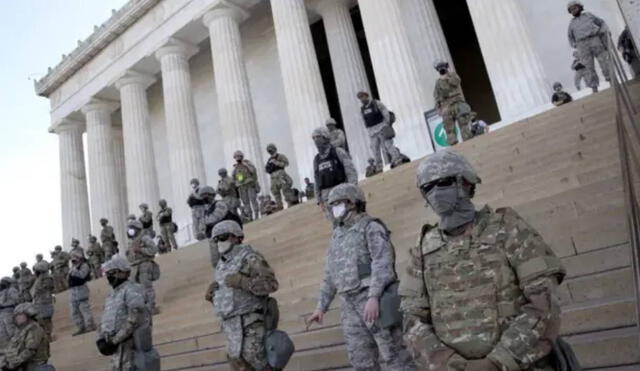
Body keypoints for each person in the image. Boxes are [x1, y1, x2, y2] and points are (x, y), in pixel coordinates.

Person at [399, 151, 566, 370]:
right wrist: (451, 365)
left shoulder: (509, 229)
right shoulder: (422, 250)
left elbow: (544, 303)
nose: (435, 193)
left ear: (466, 183)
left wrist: (498, 362)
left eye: (443, 183)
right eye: (427, 188)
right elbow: (412, 321)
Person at [306, 183, 416, 370]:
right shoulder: (337, 235)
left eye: (337, 204)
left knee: (394, 355)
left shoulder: (370, 227)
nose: (333, 209)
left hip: (373, 300)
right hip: (348, 304)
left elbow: (382, 263)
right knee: (361, 359)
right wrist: (321, 307)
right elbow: (330, 273)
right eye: (331, 205)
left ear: (351, 202)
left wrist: (374, 296)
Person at [206, 221, 279, 370]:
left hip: (250, 325)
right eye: (216, 239)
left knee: (262, 365)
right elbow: (232, 297)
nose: (219, 242)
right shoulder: (222, 264)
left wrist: (243, 282)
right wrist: (213, 296)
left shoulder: (249, 257)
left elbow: (271, 284)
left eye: (223, 237)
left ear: (236, 237)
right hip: (231, 329)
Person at [98, 256, 159, 371]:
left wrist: (115, 340)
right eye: (108, 273)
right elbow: (105, 318)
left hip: (131, 348)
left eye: (112, 273)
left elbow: (135, 317)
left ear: (124, 273)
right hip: (117, 352)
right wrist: (101, 339)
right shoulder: (111, 295)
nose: (109, 276)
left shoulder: (133, 289)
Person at [312, 127, 358, 223]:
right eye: (314, 138)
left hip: (341, 192)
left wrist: (352, 189)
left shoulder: (338, 152)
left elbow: (350, 171)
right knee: (335, 225)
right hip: (327, 197)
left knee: (348, 220)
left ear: (325, 137)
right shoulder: (316, 159)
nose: (316, 140)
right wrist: (319, 200)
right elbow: (317, 179)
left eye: (318, 137)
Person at [567, 1, 610, 93]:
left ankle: (610, 80)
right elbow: (570, 37)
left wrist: (602, 31)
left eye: (575, 8)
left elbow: (601, 23)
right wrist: (576, 45)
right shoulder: (571, 24)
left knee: (603, 61)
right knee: (588, 67)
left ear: (579, 7)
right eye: (571, 10)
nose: (573, 11)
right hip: (582, 45)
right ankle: (594, 87)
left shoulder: (588, 15)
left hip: (594, 39)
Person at [357, 91, 402, 171]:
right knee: (375, 149)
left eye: (362, 96)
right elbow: (364, 120)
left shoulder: (376, 103)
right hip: (372, 131)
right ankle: (379, 167)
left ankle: (397, 159)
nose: (361, 99)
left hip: (381, 127)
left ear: (366, 96)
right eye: (360, 98)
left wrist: (386, 124)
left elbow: (385, 112)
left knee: (387, 145)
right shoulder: (362, 109)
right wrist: (368, 129)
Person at [0, 303, 51, 370]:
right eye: (16, 316)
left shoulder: (35, 328)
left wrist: (13, 364)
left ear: (28, 314)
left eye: (19, 315)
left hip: (35, 364)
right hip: (25, 364)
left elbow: (30, 351)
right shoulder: (22, 330)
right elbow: (12, 347)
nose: (17, 318)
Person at [433, 60, 473, 146]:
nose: (442, 70)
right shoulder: (438, 83)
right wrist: (438, 109)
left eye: (443, 68)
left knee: (464, 125)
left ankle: (469, 144)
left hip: (458, 103)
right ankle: (454, 146)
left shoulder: (453, 76)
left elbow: (456, 82)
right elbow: (436, 97)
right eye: (440, 69)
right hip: (446, 107)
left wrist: (447, 77)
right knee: (449, 130)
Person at [126, 220, 160, 316]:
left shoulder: (145, 238)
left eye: (131, 228)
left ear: (137, 228)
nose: (129, 230)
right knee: (136, 289)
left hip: (145, 264)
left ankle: (151, 307)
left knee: (146, 287)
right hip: (135, 267)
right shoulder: (131, 241)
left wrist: (140, 250)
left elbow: (153, 250)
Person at [68, 250, 96, 336]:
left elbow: (82, 276)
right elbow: (68, 277)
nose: (74, 259)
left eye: (75, 257)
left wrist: (75, 270)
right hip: (73, 291)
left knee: (85, 309)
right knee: (74, 311)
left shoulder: (84, 266)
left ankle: (90, 325)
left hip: (81, 289)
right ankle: (81, 327)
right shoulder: (73, 266)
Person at [232, 151, 261, 221]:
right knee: (245, 202)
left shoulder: (247, 163)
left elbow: (253, 172)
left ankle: (256, 214)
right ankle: (250, 216)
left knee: (253, 199)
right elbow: (233, 178)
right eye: (236, 157)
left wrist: (245, 165)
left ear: (242, 156)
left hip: (249, 184)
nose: (237, 158)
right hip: (241, 186)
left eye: (239, 156)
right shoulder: (235, 167)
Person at [265, 144, 294, 211]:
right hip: (273, 177)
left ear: (274, 149)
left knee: (285, 189)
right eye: (268, 150)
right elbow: (267, 169)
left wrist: (276, 162)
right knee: (275, 192)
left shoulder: (280, 156)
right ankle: (279, 205)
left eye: (271, 149)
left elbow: (286, 163)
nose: (270, 151)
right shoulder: (269, 159)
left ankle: (289, 202)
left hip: (281, 174)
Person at [31, 260, 55, 339]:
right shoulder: (38, 279)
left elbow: (47, 288)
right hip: (39, 302)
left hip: (45, 301)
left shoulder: (47, 279)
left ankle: (48, 335)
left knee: (46, 320)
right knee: (41, 320)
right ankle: (46, 335)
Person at [0, 277, 19, 348]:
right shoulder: (3, 292)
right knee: (4, 332)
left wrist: (6, 304)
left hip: (9, 311)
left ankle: (16, 346)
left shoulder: (11, 290)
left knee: (11, 330)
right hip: (3, 313)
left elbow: (17, 300)